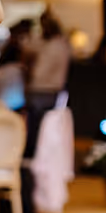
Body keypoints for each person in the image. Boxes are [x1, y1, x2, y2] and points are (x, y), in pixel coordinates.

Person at [24, 10, 70, 157]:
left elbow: (38, 73)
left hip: (42, 91)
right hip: (53, 91)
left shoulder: (52, 46)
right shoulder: (62, 44)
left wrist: (29, 70)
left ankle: (35, 157)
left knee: (37, 129)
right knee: (46, 127)